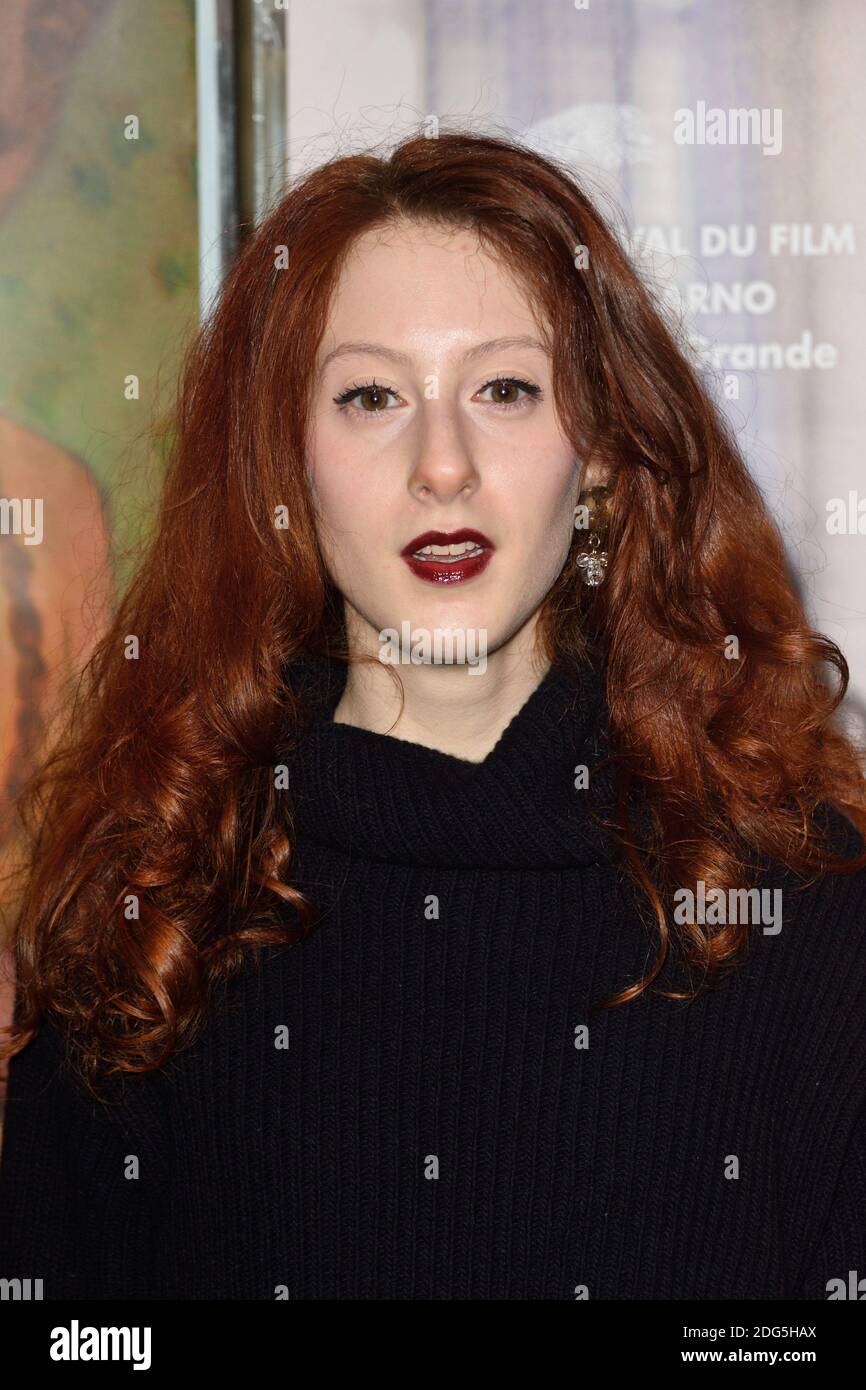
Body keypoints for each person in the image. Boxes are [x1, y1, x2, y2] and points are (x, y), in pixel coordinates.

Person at [1, 128, 865, 1301]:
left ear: (603, 447)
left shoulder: (808, 909)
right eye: (369, 396)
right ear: (280, 464)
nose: (442, 463)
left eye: (504, 388)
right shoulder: (148, 922)